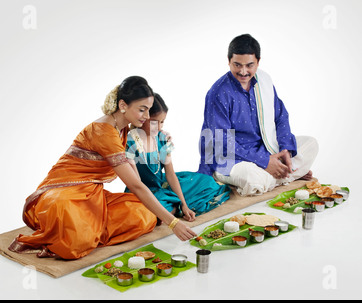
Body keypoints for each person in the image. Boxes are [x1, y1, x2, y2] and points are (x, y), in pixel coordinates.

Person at [8, 76, 196, 260]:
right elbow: (136, 186)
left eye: (148, 110)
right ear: (123, 105)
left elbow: (138, 180)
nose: (147, 117)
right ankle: (81, 231)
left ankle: (90, 229)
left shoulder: (121, 129)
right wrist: (173, 223)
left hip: (91, 195)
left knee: (144, 213)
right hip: (62, 195)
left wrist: (160, 137)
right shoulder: (105, 132)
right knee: (74, 237)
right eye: (142, 110)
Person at [198, 34, 318, 196]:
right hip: (227, 159)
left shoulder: (264, 82)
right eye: (237, 65)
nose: (243, 71)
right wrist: (265, 162)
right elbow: (222, 143)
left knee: (310, 144)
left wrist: (285, 151)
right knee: (251, 178)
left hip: (265, 149)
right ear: (228, 60)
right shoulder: (219, 93)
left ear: (258, 62)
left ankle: (281, 173)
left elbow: (281, 117)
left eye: (249, 65)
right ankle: (288, 175)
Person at [125, 93, 231, 221]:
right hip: (141, 193)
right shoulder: (130, 142)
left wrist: (184, 205)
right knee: (149, 211)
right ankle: (168, 207)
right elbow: (136, 185)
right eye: (154, 122)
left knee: (207, 183)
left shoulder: (162, 139)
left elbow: (170, 175)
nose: (159, 127)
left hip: (161, 185)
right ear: (143, 118)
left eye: (162, 122)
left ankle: (175, 205)